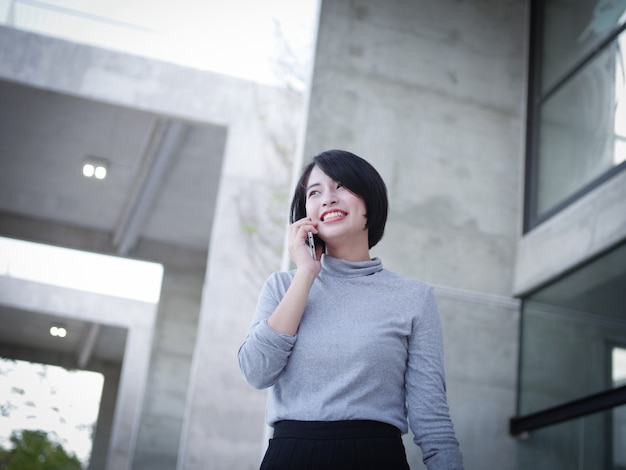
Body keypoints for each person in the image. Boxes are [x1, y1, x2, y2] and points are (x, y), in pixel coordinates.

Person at [238, 149, 464, 469]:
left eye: (341, 186)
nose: (327, 198)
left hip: (375, 458)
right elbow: (257, 372)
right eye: (315, 192)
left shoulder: (414, 298)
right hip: (290, 458)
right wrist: (306, 273)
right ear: (306, 214)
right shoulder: (281, 287)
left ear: (370, 203)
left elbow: (433, 423)